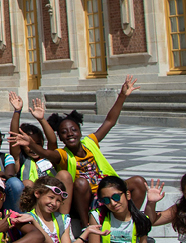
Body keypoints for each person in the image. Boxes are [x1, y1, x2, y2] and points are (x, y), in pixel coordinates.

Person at [10, 76, 147, 224]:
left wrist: (121, 96)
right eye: (64, 132)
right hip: (83, 198)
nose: (70, 133)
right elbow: (46, 152)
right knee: (81, 183)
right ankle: (85, 224)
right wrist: (31, 142)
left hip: (106, 190)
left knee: (139, 181)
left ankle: (132, 221)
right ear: (61, 138)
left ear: (80, 132)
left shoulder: (90, 142)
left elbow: (109, 121)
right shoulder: (62, 155)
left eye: (73, 130)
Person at [7, 93, 64, 188]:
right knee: (27, 183)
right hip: (31, 199)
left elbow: (53, 142)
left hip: (50, 197)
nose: (32, 148)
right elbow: (14, 136)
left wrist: (42, 119)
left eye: (37, 144)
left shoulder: (48, 157)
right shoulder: (20, 160)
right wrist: (17, 111)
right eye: (28, 145)